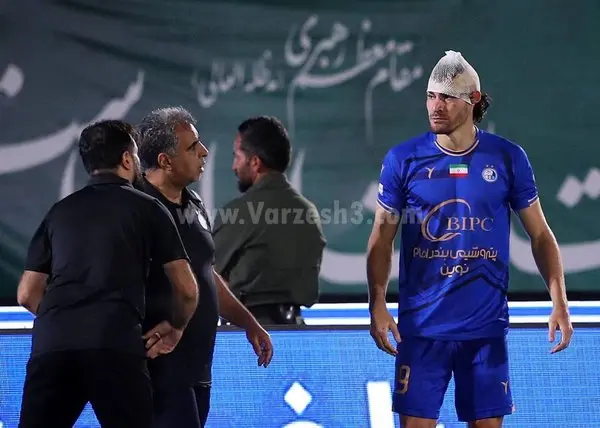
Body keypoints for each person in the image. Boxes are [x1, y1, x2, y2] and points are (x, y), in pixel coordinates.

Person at [366, 50, 574, 428]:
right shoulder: (403, 159)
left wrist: (559, 301)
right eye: (430, 96)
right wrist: (376, 303)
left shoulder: (508, 158)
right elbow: (381, 237)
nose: (436, 106)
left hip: (485, 330)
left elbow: (541, 236)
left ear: (473, 100)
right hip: (422, 329)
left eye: (447, 97)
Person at [16, 119, 199, 428]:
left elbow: (26, 294)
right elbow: (187, 289)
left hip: (53, 347)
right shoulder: (149, 208)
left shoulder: (59, 211)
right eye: (136, 155)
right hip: (115, 344)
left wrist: (65, 320)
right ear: (127, 159)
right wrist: (176, 326)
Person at [137, 106, 274, 428]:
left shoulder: (194, 204)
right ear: (165, 161)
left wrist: (248, 322)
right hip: (158, 368)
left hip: (198, 367)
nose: (204, 151)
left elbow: (204, 274)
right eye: (192, 147)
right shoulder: (135, 206)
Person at [212, 115, 326, 325]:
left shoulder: (239, 212)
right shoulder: (308, 212)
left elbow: (205, 278)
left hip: (247, 332)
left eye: (237, 156)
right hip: (296, 331)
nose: (234, 166)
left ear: (255, 162)